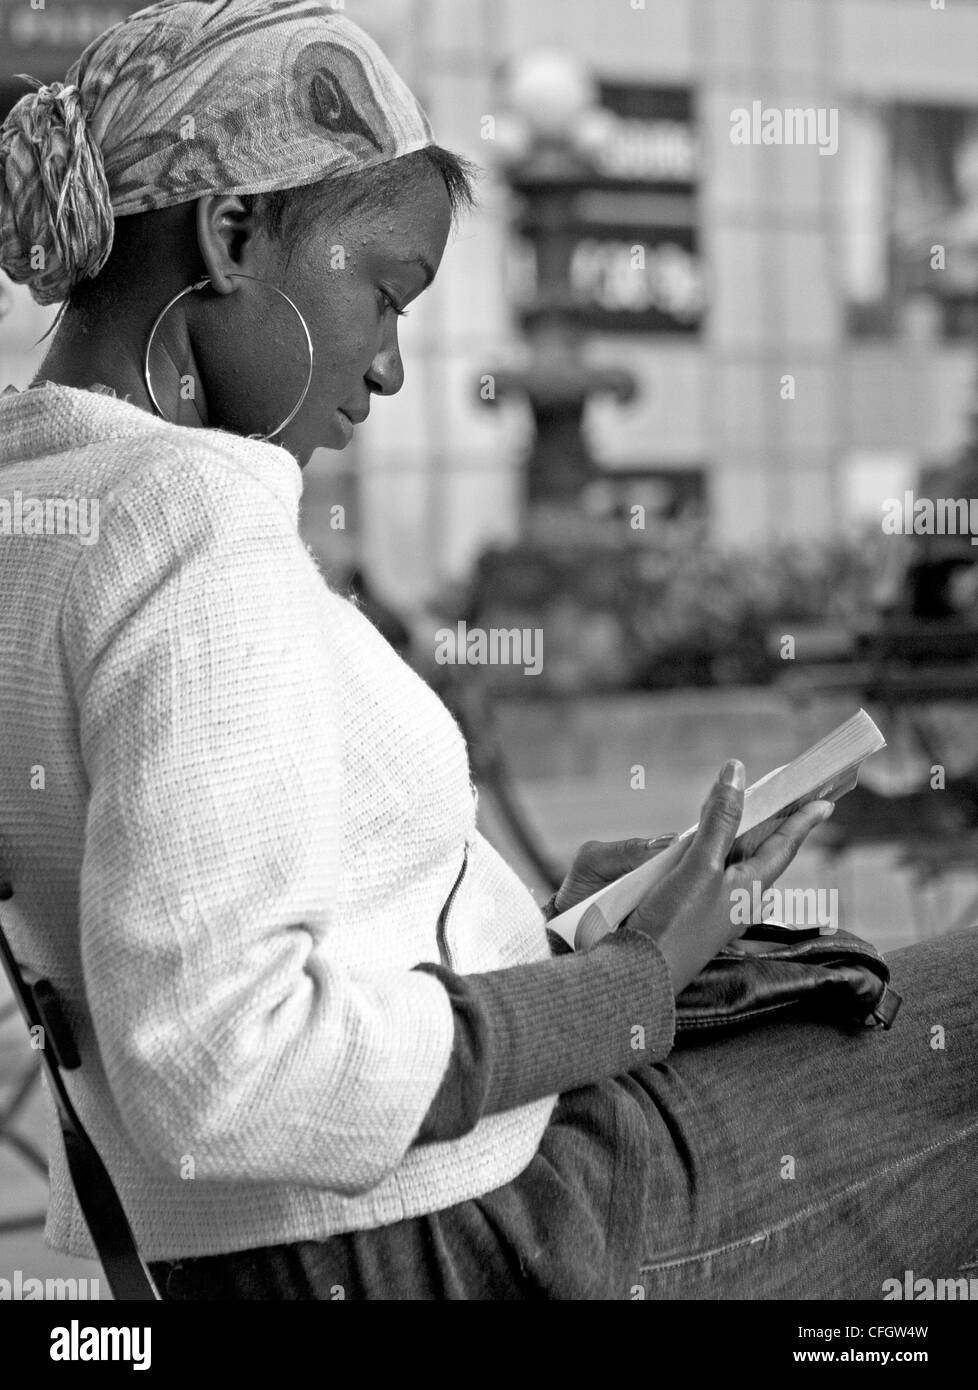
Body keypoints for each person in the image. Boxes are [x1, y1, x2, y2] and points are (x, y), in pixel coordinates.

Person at [0, 1, 975, 1301]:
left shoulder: (38, 503)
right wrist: (629, 985)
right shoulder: (188, 514)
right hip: (468, 1237)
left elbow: (204, 945)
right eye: (385, 291)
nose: (392, 366)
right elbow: (226, 1068)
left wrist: (551, 930)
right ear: (231, 236)